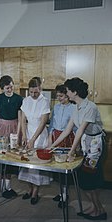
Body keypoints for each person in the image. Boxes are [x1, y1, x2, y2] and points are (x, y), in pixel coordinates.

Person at [50, 77, 107, 220]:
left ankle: (100, 211)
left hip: (95, 146)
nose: (67, 93)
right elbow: (67, 130)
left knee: (88, 180)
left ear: (74, 92)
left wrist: (70, 152)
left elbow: (80, 130)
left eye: (68, 91)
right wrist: (51, 145)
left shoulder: (90, 107)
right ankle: (95, 207)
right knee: (85, 180)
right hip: (86, 143)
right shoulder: (76, 107)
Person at [18, 77, 52, 205]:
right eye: (31, 92)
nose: (33, 95)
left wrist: (33, 139)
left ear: (40, 89)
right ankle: (29, 189)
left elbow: (43, 123)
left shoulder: (44, 101)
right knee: (27, 164)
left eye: (36, 92)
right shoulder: (26, 100)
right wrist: (25, 136)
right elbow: (22, 120)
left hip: (40, 135)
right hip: (28, 134)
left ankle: (35, 192)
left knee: (36, 166)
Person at [0, 75, 23, 199]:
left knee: (11, 157)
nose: (9, 90)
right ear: (2, 89)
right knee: (1, 157)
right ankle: (1, 187)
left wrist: (18, 134)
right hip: (1, 128)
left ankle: (8, 187)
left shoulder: (18, 98)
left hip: (14, 127)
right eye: (7, 88)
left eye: (11, 87)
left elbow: (20, 119)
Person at [48, 84, 76, 208]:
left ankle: (64, 196)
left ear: (67, 96)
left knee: (65, 167)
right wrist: (50, 139)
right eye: (57, 96)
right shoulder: (56, 107)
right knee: (57, 166)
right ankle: (61, 193)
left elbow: (75, 128)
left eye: (61, 96)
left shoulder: (74, 108)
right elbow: (52, 125)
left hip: (67, 138)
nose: (59, 98)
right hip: (56, 137)